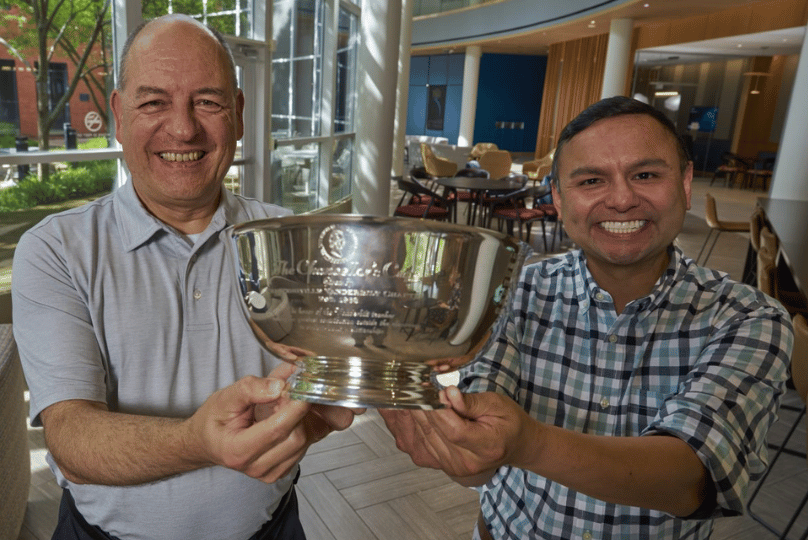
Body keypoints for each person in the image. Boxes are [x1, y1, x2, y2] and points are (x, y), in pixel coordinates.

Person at [11, 14, 363, 540]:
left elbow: (322, 385)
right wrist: (198, 441)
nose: (183, 128)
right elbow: (72, 440)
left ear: (239, 115)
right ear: (118, 114)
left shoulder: (295, 242)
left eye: (208, 101)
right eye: (154, 102)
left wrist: (322, 404)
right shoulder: (54, 250)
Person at [380, 96, 793, 540]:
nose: (621, 199)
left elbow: (691, 478)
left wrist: (529, 443)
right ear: (558, 197)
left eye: (646, 175)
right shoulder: (514, 289)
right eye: (592, 180)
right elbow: (478, 464)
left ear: (686, 183)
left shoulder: (749, 318)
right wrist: (453, 437)